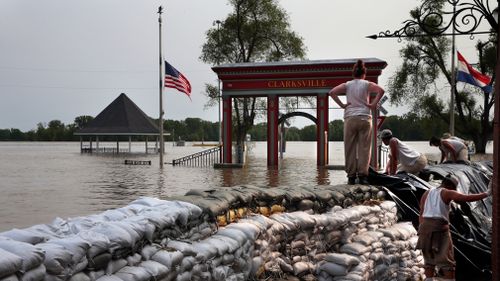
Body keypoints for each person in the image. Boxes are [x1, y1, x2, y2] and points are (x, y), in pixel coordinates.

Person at [417, 174, 489, 280]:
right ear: (450, 185)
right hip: (440, 229)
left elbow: (421, 213)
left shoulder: (427, 193)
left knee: (429, 260)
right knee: (447, 261)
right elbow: (466, 198)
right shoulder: (447, 192)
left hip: (424, 229)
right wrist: (487, 194)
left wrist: (422, 229)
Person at [329, 59, 385, 185]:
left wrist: (342, 105)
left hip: (350, 118)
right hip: (365, 117)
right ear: (364, 74)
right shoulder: (367, 84)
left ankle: (351, 176)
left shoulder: (347, 85)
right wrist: (372, 105)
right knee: (364, 148)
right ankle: (363, 175)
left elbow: (332, 92)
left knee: (350, 148)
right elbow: (381, 91)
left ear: (353, 74)